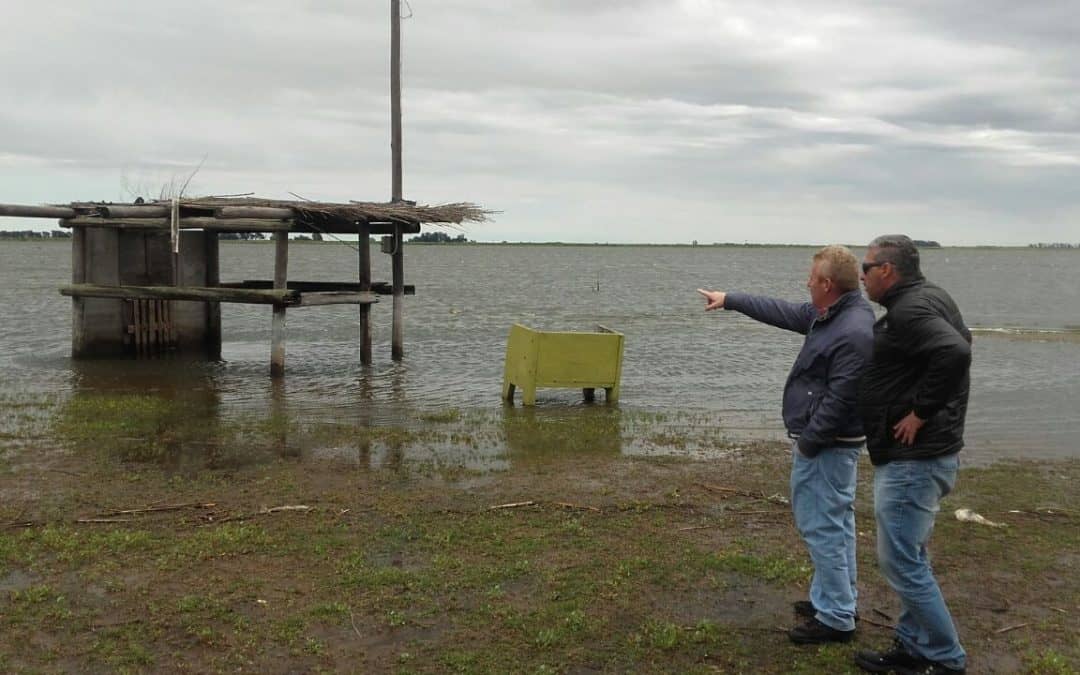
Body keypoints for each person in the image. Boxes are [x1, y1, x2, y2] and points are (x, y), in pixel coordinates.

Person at [697, 245, 874, 644]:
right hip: (830, 444)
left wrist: (809, 443)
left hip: (828, 446)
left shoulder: (852, 331)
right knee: (838, 525)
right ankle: (837, 600)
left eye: (811, 278)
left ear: (827, 284)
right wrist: (731, 301)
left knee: (823, 528)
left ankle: (836, 618)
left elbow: (842, 398)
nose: (806, 283)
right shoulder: (834, 313)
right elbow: (784, 312)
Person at [854, 235, 971, 675]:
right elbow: (958, 348)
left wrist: (920, 413)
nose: (861, 277)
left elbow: (955, 351)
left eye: (865, 268)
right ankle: (913, 646)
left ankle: (944, 656)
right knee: (910, 555)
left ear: (887, 270)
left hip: (914, 460)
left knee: (900, 559)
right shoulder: (930, 298)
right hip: (924, 455)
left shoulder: (913, 308)